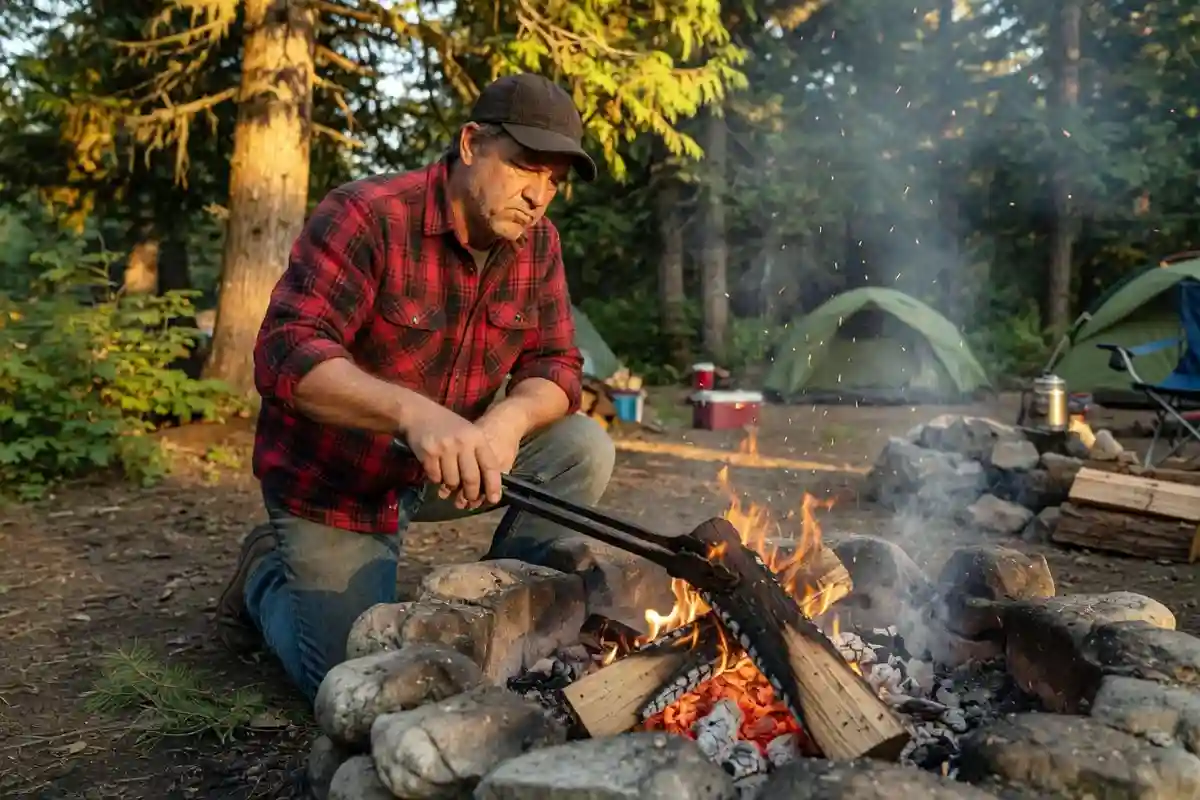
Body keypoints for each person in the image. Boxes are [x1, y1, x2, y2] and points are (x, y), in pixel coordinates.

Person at [215, 73, 615, 701]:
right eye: (524, 169)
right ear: (469, 144)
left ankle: (497, 620)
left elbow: (559, 365)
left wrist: (505, 424)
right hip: (338, 484)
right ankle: (265, 572)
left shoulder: (539, 244)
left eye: (553, 182)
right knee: (350, 685)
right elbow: (286, 353)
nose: (538, 196)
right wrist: (414, 413)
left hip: (444, 463)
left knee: (582, 445)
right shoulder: (366, 214)